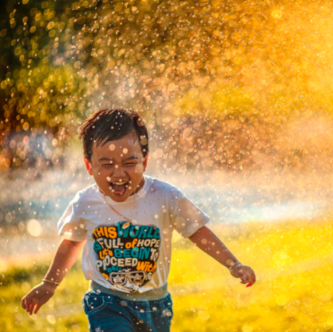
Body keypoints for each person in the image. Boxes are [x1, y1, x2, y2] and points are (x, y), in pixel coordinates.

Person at [21, 109, 256, 332]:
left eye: (129, 163)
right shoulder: (86, 203)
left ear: (145, 161)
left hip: (156, 304)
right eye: (106, 164)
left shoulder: (165, 196)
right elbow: (71, 243)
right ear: (89, 166)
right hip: (106, 300)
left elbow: (197, 230)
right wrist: (49, 283)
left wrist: (233, 264)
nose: (118, 173)